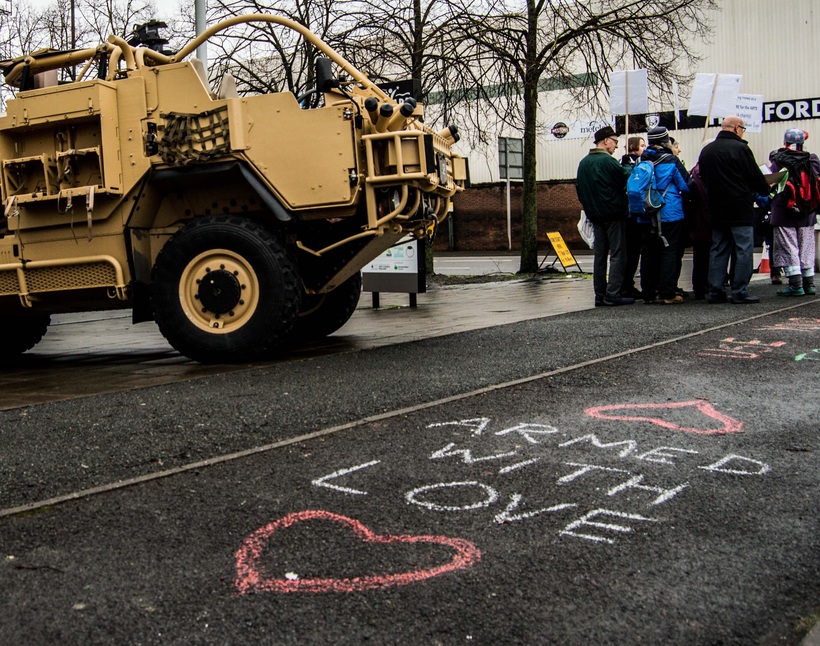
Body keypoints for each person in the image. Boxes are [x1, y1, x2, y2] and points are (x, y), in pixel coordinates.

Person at [697, 115, 771, 304]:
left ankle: (715, 290)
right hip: (740, 207)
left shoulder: (707, 151)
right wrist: (765, 188)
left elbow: (703, 177)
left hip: (716, 207)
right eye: (743, 129)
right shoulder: (741, 148)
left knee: (719, 249)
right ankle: (739, 290)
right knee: (744, 248)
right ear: (737, 128)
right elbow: (754, 176)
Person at [576, 126, 634, 306]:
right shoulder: (607, 161)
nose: (616, 146)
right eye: (615, 142)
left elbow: (580, 190)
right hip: (613, 213)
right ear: (606, 140)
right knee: (617, 254)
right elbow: (624, 176)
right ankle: (613, 293)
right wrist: (627, 164)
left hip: (595, 215)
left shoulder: (584, 163)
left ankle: (599, 295)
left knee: (599, 256)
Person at [637, 126, 690, 304]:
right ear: (665, 141)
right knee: (669, 250)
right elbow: (686, 185)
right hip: (669, 212)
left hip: (645, 212)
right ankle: (668, 293)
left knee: (648, 252)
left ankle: (649, 292)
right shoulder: (671, 160)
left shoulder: (641, 160)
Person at [768, 128, 819, 296]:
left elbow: (771, 181)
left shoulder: (779, 159)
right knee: (807, 246)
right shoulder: (812, 159)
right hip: (807, 210)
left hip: (784, 211)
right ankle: (809, 283)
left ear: (785, 142)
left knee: (789, 246)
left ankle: (795, 285)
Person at [619, 136, 646, 299]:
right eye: (641, 145)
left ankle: (628, 283)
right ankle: (626, 284)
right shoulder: (629, 165)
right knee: (631, 250)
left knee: (634, 251)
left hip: (634, 212)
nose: (644, 148)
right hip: (631, 213)